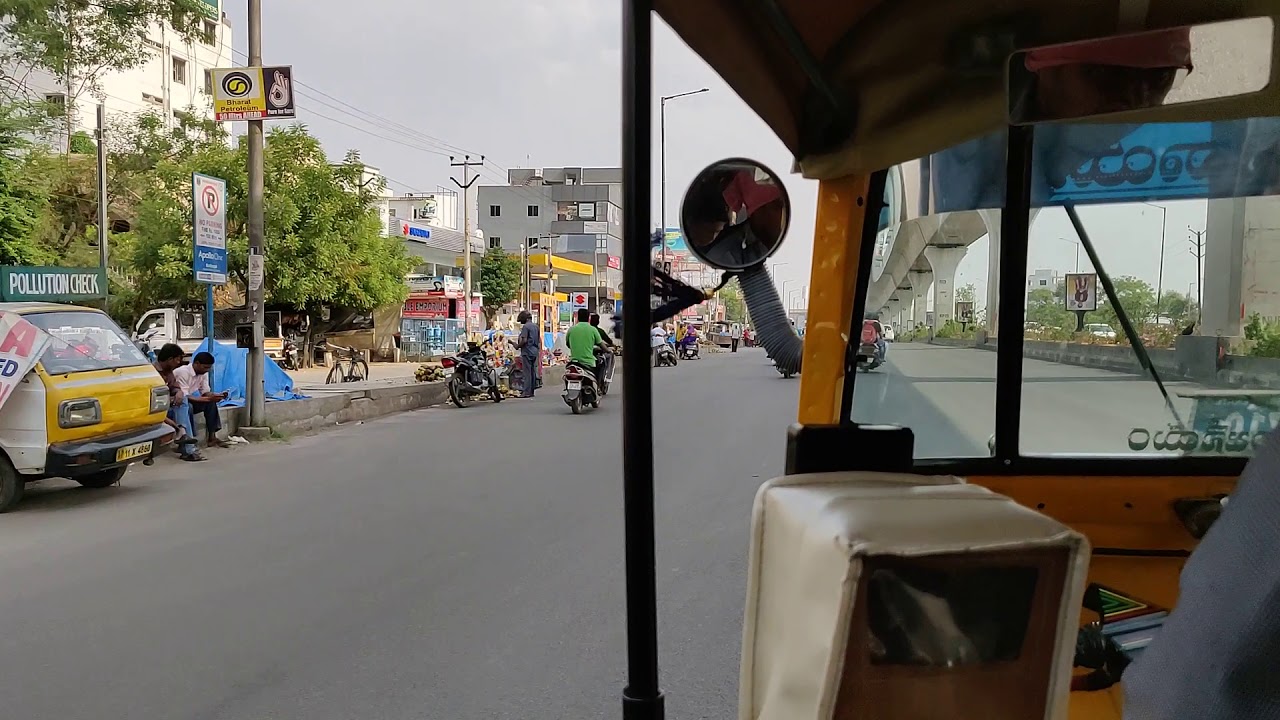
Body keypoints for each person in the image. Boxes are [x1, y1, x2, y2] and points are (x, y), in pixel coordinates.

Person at [173, 351, 229, 454]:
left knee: (211, 404)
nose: (207, 370)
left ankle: (212, 437)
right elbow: (184, 397)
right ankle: (186, 441)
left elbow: (205, 392)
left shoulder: (203, 374)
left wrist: (216, 396)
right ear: (197, 363)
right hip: (178, 403)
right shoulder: (183, 372)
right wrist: (206, 399)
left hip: (190, 399)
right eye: (205, 367)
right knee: (188, 407)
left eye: (208, 368)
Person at [154, 343, 201, 461]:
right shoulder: (152, 372)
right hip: (156, 408)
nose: (179, 363)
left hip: (169, 406)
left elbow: (174, 387)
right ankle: (187, 447)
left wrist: (179, 392)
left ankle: (183, 433)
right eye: (177, 359)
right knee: (186, 406)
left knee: (184, 402)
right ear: (170, 359)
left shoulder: (169, 372)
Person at [566, 308, 606, 384]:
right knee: (601, 365)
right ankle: (599, 385)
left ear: (577, 317)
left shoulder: (571, 329)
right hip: (588, 362)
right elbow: (601, 344)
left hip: (573, 361)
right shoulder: (593, 329)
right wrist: (608, 350)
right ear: (588, 318)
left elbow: (568, 344)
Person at [516, 310, 541, 398]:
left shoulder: (526, 327)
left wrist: (517, 346)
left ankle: (526, 392)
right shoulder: (536, 327)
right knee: (532, 372)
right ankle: (531, 391)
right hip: (534, 351)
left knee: (527, 372)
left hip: (527, 351)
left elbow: (524, 340)